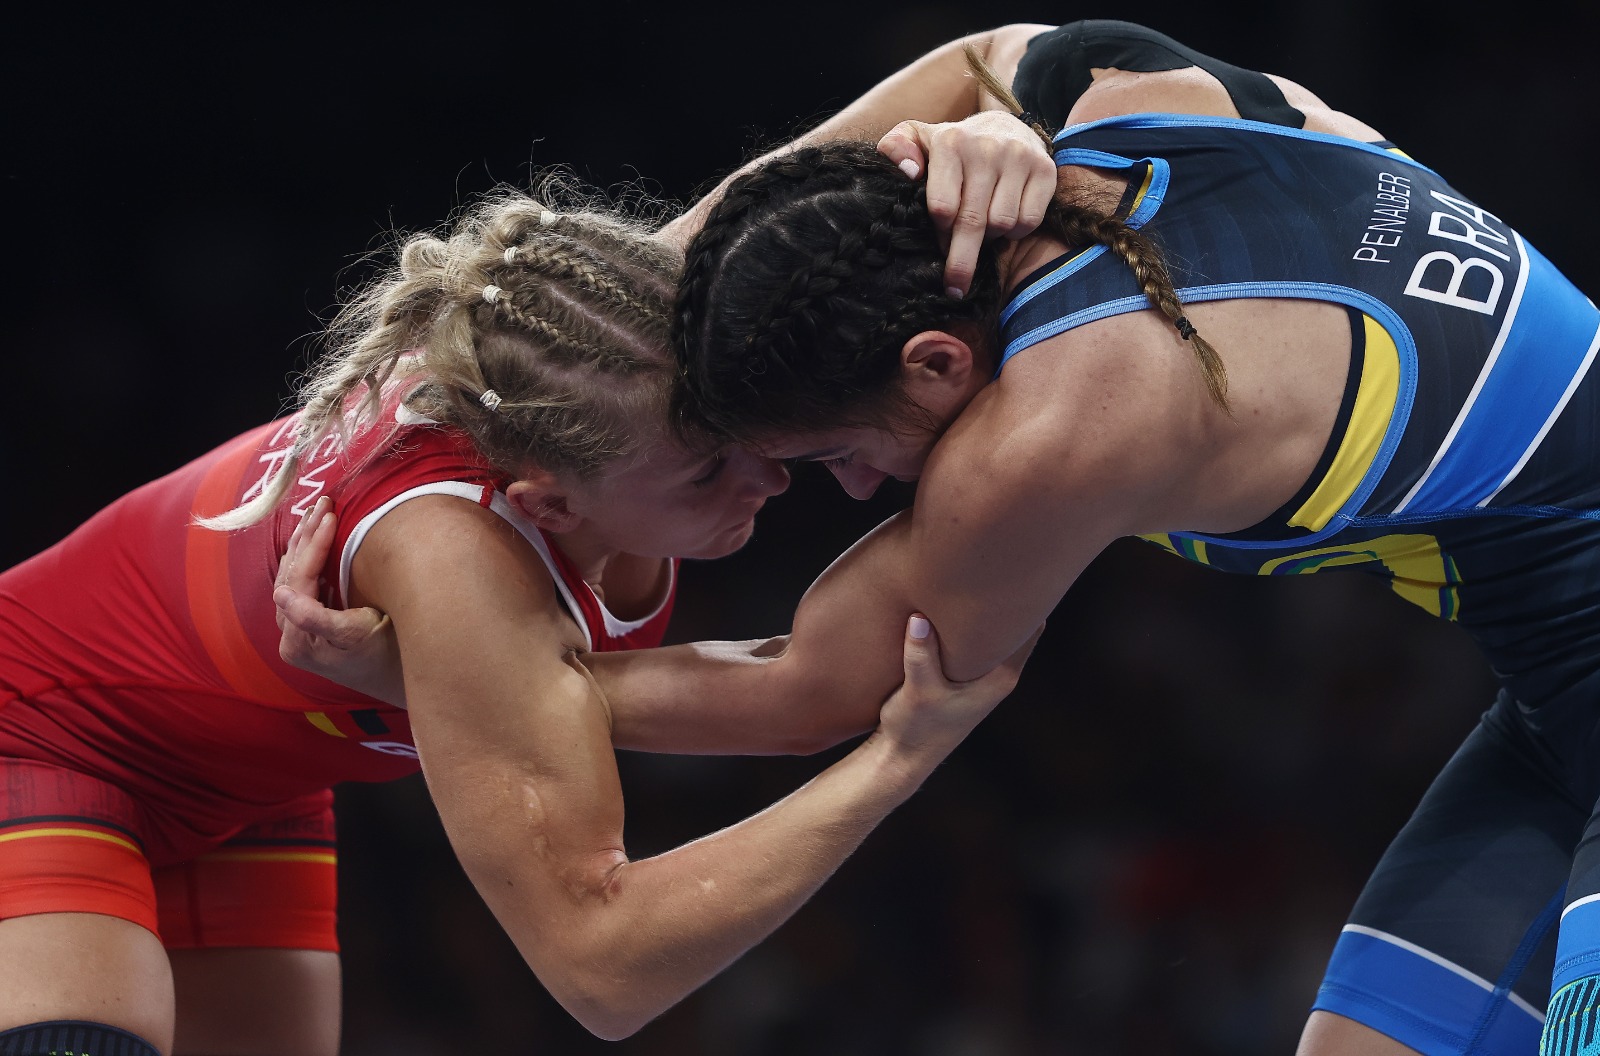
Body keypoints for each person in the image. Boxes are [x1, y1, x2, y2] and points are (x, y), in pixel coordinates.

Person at [0, 22, 1062, 1051]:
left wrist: (1003, 140)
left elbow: (988, 57)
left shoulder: (609, 331)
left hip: (249, 776)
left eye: (742, 430)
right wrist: (895, 766)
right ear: (547, 502)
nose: (771, 472)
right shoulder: (455, 558)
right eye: (706, 468)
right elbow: (604, 971)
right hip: (38, 729)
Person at [643, 20, 1600, 1056]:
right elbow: (979, 56)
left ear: (930, 362)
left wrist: (455, 675)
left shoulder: (1052, 433)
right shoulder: (1120, 94)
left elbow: (802, 690)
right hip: (1559, 712)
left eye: (838, 452)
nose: (861, 485)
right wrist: (647, 270)